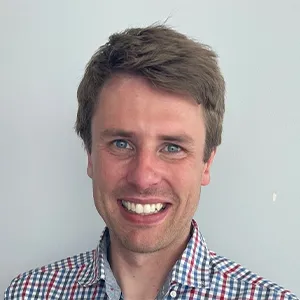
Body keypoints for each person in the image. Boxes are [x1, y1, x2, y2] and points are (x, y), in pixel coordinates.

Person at [4, 25, 298, 300]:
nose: (143, 178)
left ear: (206, 163)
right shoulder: (27, 293)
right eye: (121, 144)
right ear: (90, 155)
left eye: (172, 147)